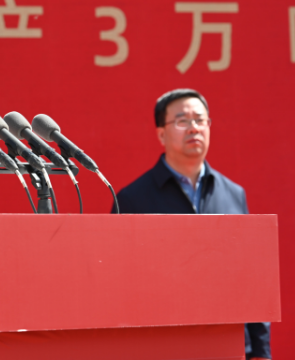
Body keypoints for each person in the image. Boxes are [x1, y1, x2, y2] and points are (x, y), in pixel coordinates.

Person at [113, 88, 271, 360]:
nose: (194, 128)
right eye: (182, 121)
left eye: (200, 120)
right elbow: (120, 284)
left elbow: (252, 278)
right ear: (161, 134)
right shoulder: (132, 199)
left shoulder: (234, 194)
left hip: (230, 344)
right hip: (162, 346)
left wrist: (261, 351)